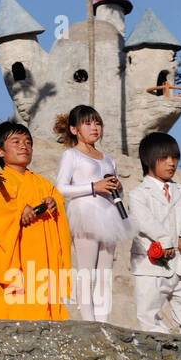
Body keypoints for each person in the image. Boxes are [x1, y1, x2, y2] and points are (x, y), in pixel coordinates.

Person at [0, 121, 72, 321]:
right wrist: (19, 213)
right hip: (18, 257)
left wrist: (54, 204)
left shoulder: (44, 184)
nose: (25, 146)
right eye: (16, 141)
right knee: (11, 314)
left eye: (28, 142)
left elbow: (57, 205)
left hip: (43, 260)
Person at [54, 104, 130, 324]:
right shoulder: (71, 155)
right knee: (87, 271)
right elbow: (60, 188)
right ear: (74, 129)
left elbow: (114, 191)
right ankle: (88, 320)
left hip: (109, 214)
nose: (94, 127)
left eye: (97, 123)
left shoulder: (107, 159)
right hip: (84, 214)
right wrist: (92, 187)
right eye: (87, 123)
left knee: (104, 273)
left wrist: (118, 186)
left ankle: (103, 321)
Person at [129, 131, 181, 335]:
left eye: (174, 157)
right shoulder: (138, 194)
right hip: (150, 265)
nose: (171, 163)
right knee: (148, 318)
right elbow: (144, 221)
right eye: (164, 158)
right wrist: (166, 240)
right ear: (148, 160)